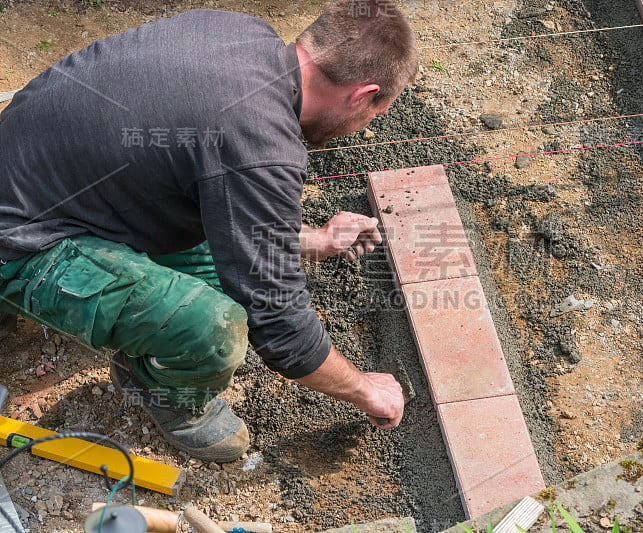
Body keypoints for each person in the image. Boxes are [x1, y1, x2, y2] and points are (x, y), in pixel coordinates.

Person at [0, 0, 418, 463]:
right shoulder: (260, 140)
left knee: (217, 254)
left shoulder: (234, 30)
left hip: (35, 173)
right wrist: (365, 389)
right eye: (371, 116)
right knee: (211, 329)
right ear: (363, 94)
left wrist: (312, 240)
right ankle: (160, 393)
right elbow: (279, 326)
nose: (359, 129)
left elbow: (226, 193)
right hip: (19, 240)